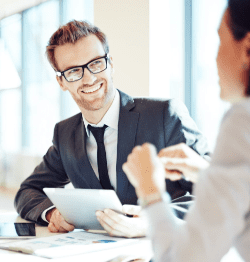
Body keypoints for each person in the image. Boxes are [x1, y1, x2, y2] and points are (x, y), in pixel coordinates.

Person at [98, 0, 250, 262]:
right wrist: (206, 172)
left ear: (248, 47)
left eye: (219, 41)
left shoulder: (247, 121)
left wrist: (150, 190)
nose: (212, 58)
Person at [14, 20, 210, 236]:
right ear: (62, 82)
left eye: (96, 63)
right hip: (98, 258)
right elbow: (27, 192)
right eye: (73, 71)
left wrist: (156, 219)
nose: (89, 78)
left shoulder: (164, 116)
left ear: (111, 64)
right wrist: (53, 213)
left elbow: (216, 187)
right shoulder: (65, 134)